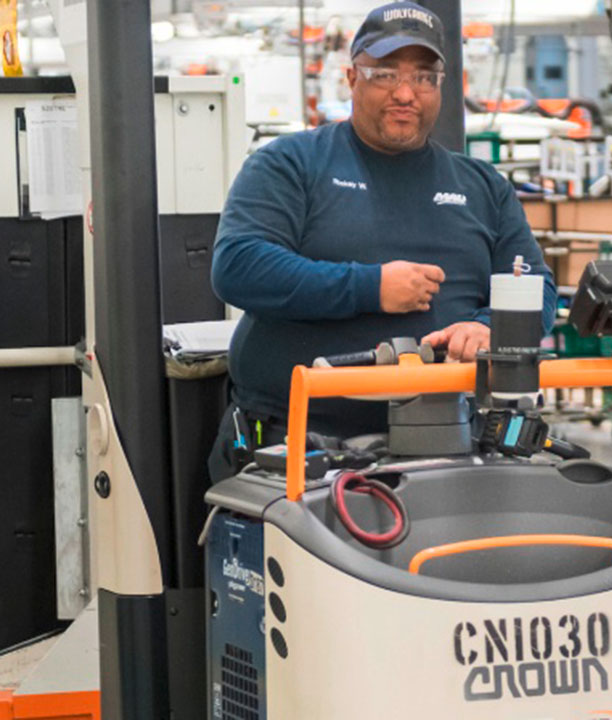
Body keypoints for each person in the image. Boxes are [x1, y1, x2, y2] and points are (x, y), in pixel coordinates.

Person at [209, 1, 556, 481]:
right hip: (296, 451)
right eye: (386, 74)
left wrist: (487, 329)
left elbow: (536, 283)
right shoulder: (290, 165)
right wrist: (369, 287)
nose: (406, 93)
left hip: (451, 449)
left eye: (424, 77)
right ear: (352, 78)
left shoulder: (482, 186)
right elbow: (238, 267)